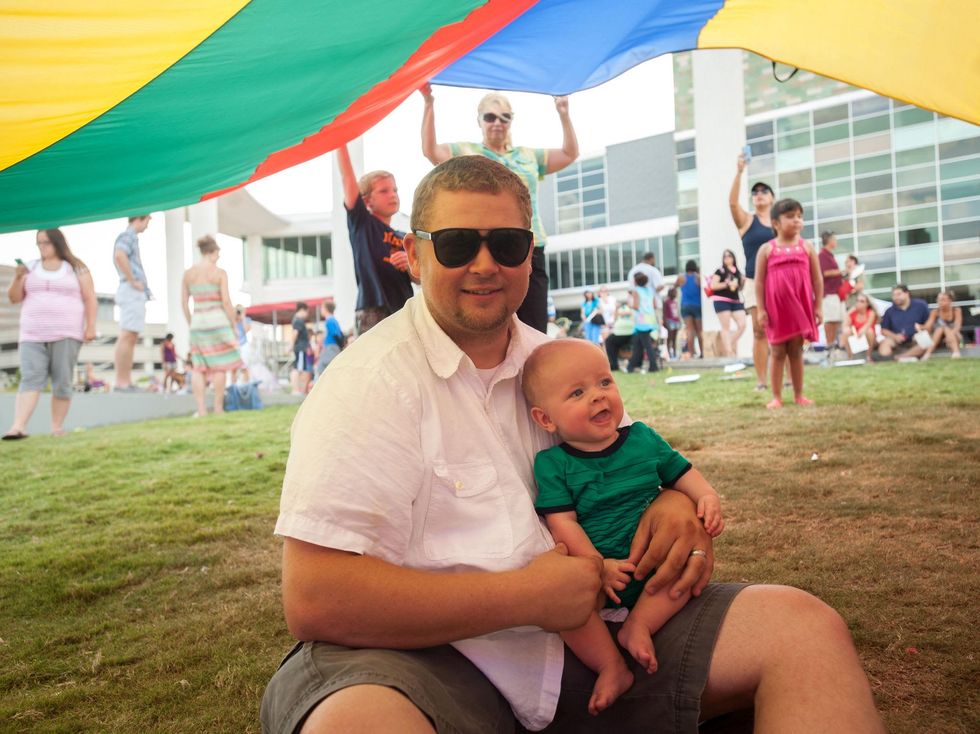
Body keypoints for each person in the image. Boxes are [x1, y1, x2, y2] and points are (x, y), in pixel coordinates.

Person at [261, 156, 884, 734]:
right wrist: (525, 597)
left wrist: (671, 509)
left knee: (804, 631)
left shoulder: (558, 361)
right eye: (455, 244)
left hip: (601, 637)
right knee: (357, 723)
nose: (485, 264)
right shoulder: (366, 382)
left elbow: (631, 459)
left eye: (505, 244)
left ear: (530, 255)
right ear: (414, 256)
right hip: (425, 660)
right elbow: (318, 598)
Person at [523, 338, 724, 714]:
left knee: (678, 573)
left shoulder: (643, 439)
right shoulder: (553, 464)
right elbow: (562, 523)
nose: (598, 397)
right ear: (546, 419)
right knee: (564, 607)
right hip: (600, 574)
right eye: (578, 392)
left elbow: (682, 473)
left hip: (651, 561)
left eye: (604, 383)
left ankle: (640, 626)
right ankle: (611, 666)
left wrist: (706, 497)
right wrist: (595, 565)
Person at [420, 83, 579, 332]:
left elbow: (569, 153)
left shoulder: (528, 156)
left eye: (505, 117)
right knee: (493, 319)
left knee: (533, 321)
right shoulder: (467, 152)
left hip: (529, 245)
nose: (497, 123)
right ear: (480, 120)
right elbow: (431, 151)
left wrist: (563, 113)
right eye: (490, 117)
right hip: (484, 242)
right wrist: (429, 104)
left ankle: (530, 371)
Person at [4, 228, 97, 439]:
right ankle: (18, 427)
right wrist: (17, 278)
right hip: (32, 334)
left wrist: (90, 326)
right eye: (39, 243)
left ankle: (57, 427)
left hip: (66, 332)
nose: (42, 247)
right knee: (30, 378)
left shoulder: (75, 268)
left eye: (46, 242)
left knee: (62, 380)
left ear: (58, 242)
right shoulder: (30, 268)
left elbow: (90, 297)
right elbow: (14, 297)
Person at [336, 144, 414, 335]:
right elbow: (347, 177)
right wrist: (339, 141)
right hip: (373, 309)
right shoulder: (362, 223)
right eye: (384, 191)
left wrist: (411, 264)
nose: (393, 195)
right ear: (366, 201)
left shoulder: (404, 237)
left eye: (395, 190)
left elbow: (419, 278)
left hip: (405, 311)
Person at [755, 199, 822, 409]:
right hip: (776, 310)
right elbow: (759, 281)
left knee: (796, 351)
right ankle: (776, 396)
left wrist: (818, 306)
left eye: (799, 216)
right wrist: (761, 309)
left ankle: (799, 394)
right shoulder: (767, 250)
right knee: (776, 352)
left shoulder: (807, 247)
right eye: (791, 216)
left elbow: (817, 279)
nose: (797, 220)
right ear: (776, 223)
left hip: (800, 308)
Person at [181, 235, 243, 417]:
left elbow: (184, 303)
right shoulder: (219, 273)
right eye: (218, 253)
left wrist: (192, 323)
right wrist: (232, 324)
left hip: (198, 322)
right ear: (212, 252)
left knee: (198, 367)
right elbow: (226, 301)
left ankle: (201, 410)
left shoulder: (188, 274)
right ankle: (218, 408)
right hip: (218, 322)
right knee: (220, 366)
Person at [729, 154, 775, 389]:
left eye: (763, 191)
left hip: (778, 283)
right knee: (759, 331)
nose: (758, 195)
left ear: (772, 198)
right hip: (753, 281)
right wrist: (739, 172)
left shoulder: (779, 223)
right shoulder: (747, 221)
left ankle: (786, 379)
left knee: (783, 332)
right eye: (755, 192)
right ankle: (761, 381)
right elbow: (733, 205)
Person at [112, 214, 152, 391]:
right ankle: (122, 382)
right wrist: (132, 280)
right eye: (148, 220)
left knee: (131, 336)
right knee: (127, 335)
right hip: (131, 290)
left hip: (132, 291)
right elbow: (119, 255)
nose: (148, 226)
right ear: (140, 219)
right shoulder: (128, 236)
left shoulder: (131, 237)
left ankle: (124, 381)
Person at [709, 249, 747, 358]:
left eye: (729, 255)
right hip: (721, 300)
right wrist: (727, 284)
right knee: (726, 327)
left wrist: (742, 282)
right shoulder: (720, 271)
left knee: (742, 325)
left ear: (733, 257)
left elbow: (739, 288)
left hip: (735, 300)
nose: (727, 257)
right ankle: (729, 352)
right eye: (725, 256)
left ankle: (728, 345)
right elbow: (713, 286)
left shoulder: (737, 272)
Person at [878, 285, 930, 360]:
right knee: (884, 344)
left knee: (926, 342)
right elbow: (884, 330)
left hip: (915, 337)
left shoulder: (921, 305)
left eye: (899, 294)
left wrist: (921, 329)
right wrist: (895, 336)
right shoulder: (889, 311)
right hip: (896, 339)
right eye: (894, 295)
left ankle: (900, 357)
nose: (896, 297)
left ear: (907, 293)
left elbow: (929, 323)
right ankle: (887, 361)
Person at [818, 231, 845, 353]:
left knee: (836, 320)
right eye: (835, 239)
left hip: (836, 293)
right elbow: (824, 273)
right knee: (830, 320)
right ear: (829, 240)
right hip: (829, 294)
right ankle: (829, 346)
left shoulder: (830, 255)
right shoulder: (822, 255)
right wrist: (842, 271)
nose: (836, 241)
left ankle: (834, 345)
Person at [627, 272, 658, 373]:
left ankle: (653, 366)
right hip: (650, 319)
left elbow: (636, 306)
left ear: (635, 281)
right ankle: (631, 366)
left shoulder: (636, 291)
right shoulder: (650, 290)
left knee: (647, 345)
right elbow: (655, 305)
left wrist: (629, 304)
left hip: (641, 321)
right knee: (638, 343)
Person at [919, 290, 962, 361]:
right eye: (938, 300)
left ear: (950, 301)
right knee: (941, 328)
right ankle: (927, 354)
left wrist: (949, 336)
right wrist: (920, 326)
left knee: (945, 328)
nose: (940, 302)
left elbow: (957, 326)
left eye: (943, 300)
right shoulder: (935, 312)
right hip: (938, 338)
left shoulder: (956, 310)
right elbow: (928, 325)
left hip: (954, 336)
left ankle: (956, 352)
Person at [677, 259, 703, 359]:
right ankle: (702, 352)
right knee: (699, 331)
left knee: (690, 330)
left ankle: (691, 353)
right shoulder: (698, 278)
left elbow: (675, 286)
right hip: (697, 305)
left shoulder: (681, 277)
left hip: (685, 305)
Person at [315, 301, 345, 378]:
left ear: (326, 309)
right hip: (333, 347)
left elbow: (335, 334)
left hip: (331, 347)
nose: (321, 310)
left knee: (322, 367)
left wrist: (340, 345)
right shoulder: (333, 320)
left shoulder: (330, 321)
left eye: (322, 308)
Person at [603, 300, 635, 372]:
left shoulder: (630, 308)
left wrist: (620, 312)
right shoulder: (618, 309)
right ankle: (614, 365)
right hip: (620, 333)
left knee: (609, 341)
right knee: (609, 341)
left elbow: (630, 313)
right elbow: (615, 318)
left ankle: (614, 365)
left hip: (628, 333)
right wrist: (616, 310)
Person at [844, 294, 878, 359]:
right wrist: (849, 312)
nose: (858, 303)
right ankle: (850, 357)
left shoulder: (871, 313)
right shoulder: (853, 313)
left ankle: (868, 357)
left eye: (862, 301)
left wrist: (861, 332)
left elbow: (868, 325)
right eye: (857, 301)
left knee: (869, 331)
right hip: (855, 337)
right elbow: (845, 326)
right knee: (846, 331)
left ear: (867, 304)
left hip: (869, 338)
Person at [289, 302, 312, 394]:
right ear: (302, 310)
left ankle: (298, 390)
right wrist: (291, 345)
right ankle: (296, 390)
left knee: (300, 369)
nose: (307, 315)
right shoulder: (298, 320)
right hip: (300, 348)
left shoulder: (297, 320)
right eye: (307, 312)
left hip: (301, 348)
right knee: (298, 369)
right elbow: (295, 333)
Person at [232, 306, 252, 384]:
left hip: (244, 345)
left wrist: (243, 318)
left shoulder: (247, 320)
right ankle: (234, 385)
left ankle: (245, 384)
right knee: (233, 368)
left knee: (244, 367)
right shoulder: (232, 321)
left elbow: (246, 330)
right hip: (234, 346)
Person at [663, 287, 681, 359]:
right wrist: (665, 321)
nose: (676, 294)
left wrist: (679, 320)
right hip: (669, 321)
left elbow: (676, 312)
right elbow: (664, 313)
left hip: (676, 321)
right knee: (669, 338)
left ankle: (674, 353)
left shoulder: (675, 302)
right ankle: (669, 354)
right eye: (675, 293)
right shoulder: (666, 302)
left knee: (674, 339)